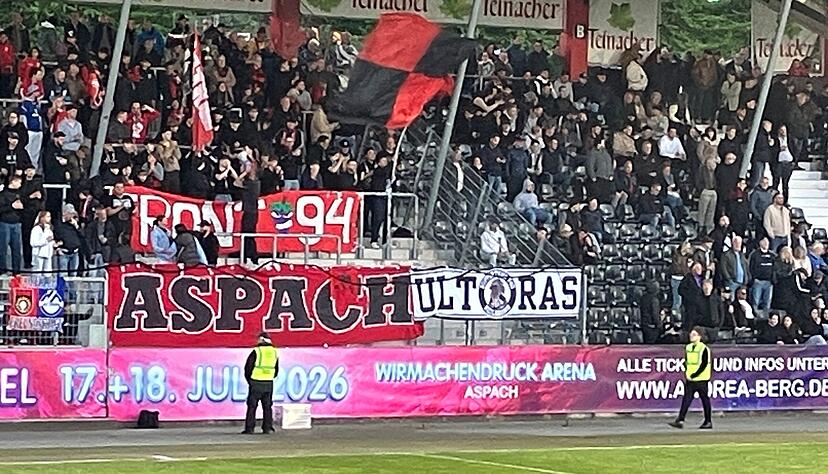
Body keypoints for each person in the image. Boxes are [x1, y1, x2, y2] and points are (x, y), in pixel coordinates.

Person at [669, 327, 713, 430]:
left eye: (694, 335)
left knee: (705, 400)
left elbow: (704, 363)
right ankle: (680, 419)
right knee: (686, 399)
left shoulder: (704, 348)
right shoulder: (688, 348)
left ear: (699, 337)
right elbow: (687, 361)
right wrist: (688, 372)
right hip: (690, 379)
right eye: (691, 334)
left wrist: (695, 374)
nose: (691, 336)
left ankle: (708, 421)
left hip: (702, 379)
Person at [242, 332, 279, 435]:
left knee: (252, 406)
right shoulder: (274, 352)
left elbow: (248, 367)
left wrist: (250, 380)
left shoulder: (256, 351)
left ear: (261, 339)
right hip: (268, 383)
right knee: (267, 406)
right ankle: (268, 428)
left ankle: (250, 428)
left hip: (256, 382)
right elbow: (276, 369)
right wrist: (269, 376)